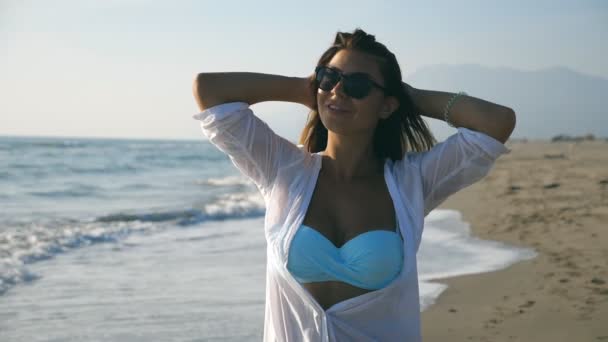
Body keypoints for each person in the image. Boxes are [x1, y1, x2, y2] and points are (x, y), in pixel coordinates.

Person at [192, 28, 514, 342]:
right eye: (329, 79)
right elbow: (209, 89)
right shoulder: (283, 169)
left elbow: (495, 122)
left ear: (387, 105)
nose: (338, 92)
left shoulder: (412, 182)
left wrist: (409, 97)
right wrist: (305, 89)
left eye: (358, 85)